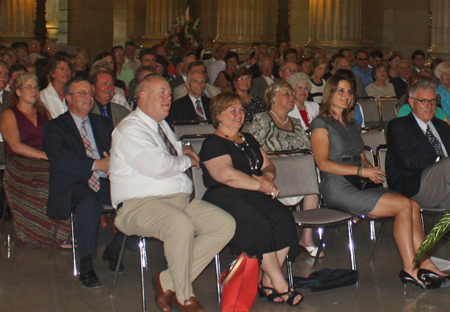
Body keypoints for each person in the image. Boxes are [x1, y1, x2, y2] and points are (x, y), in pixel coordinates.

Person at [310, 74, 447, 289]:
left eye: (349, 91)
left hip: (358, 181)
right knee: (403, 206)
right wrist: (362, 171)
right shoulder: (321, 123)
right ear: (329, 94)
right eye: (340, 91)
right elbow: (323, 163)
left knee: (412, 205)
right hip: (337, 185)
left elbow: (360, 154)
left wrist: (370, 168)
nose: (346, 96)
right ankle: (411, 268)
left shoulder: (351, 123)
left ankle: (425, 261)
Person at [110, 75, 235, 312]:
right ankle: (184, 296)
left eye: (169, 93)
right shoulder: (130, 129)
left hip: (177, 200)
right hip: (140, 205)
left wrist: (183, 149)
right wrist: (186, 158)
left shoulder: (160, 125)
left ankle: (166, 280)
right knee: (181, 225)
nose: (168, 98)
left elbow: (175, 149)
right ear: (143, 96)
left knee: (224, 224)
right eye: (162, 93)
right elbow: (159, 167)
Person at [199, 92, 303, 306]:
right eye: (233, 110)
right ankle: (279, 282)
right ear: (218, 115)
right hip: (224, 195)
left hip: (254, 192)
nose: (239, 114)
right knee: (257, 223)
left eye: (241, 110)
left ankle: (266, 280)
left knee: (283, 217)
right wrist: (262, 185)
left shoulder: (248, 139)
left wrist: (267, 177)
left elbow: (268, 165)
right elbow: (226, 175)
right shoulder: (213, 143)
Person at [43, 76, 133, 288]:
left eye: (89, 93)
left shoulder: (102, 123)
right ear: (68, 99)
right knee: (89, 204)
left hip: (105, 179)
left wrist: (112, 161)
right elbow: (60, 158)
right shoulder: (55, 127)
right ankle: (86, 264)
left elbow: (117, 151)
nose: (88, 97)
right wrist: (96, 164)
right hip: (73, 183)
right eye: (81, 93)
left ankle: (114, 248)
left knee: (135, 198)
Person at [248, 81, 322, 257]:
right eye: (286, 94)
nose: (292, 97)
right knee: (308, 175)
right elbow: (253, 148)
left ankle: (306, 237)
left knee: (311, 176)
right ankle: (277, 238)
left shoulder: (296, 123)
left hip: (298, 174)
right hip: (274, 174)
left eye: (292, 93)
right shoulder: (263, 118)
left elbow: (307, 148)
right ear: (273, 98)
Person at [0, 72, 71, 248]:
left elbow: (56, 137)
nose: (33, 91)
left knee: (68, 178)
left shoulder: (43, 113)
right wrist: (45, 156)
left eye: (35, 87)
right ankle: (49, 235)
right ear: (17, 92)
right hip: (20, 162)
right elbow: (15, 146)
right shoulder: (9, 114)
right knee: (46, 183)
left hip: (45, 158)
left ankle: (65, 231)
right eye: (28, 87)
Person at [40, 54, 72, 118]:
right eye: (62, 69)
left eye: (68, 69)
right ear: (52, 73)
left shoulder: (73, 94)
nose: (66, 72)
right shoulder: (43, 96)